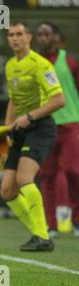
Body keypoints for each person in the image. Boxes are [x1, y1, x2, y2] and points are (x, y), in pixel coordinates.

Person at [0, 22, 65, 251]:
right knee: (7, 190)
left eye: (19, 34)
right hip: (19, 129)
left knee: (24, 178)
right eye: (11, 35)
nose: (15, 38)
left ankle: (42, 236)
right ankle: (39, 233)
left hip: (40, 127)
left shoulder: (41, 64)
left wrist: (30, 116)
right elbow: (13, 100)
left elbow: (59, 100)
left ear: (29, 37)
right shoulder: (10, 65)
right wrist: (7, 130)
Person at [36, 21, 79, 237]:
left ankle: (76, 220)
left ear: (57, 38)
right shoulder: (34, 63)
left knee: (73, 171)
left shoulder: (70, 61)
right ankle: (51, 225)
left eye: (47, 33)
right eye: (40, 34)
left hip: (70, 122)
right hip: (45, 124)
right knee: (48, 175)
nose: (42, 37)